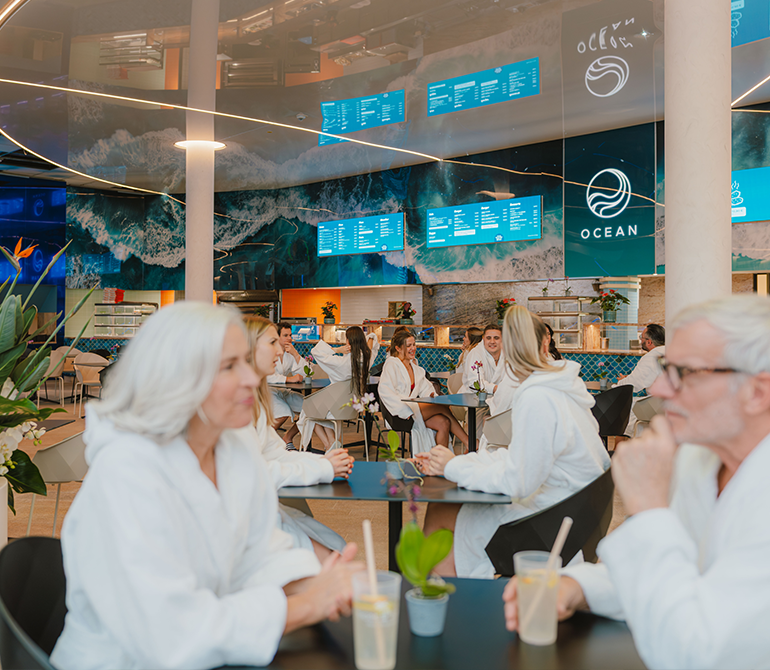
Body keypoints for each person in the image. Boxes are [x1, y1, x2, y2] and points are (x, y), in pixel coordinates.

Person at [51, 302, 362, 670]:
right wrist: (306, 605)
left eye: (245, 361)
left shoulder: (232, 447)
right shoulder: (127, 474)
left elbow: (261, 550)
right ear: (178, 378)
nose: (251, 379)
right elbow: (173, 635)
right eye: (229, 366)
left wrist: (320, 584)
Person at [504, 295, 770, 670]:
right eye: (666, 369)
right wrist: (578, 587)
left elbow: (697, 653)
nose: (660, 390)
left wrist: (648, 509)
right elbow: (659, 574)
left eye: (686, 373)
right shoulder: (701, 461)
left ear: (757, 392)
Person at [415, 306, 610, 578]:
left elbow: (519, 481)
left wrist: (452, 468)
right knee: (447, 505)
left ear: (508, 353)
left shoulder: (537, 397)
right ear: (545, 343)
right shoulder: (563, 387)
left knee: (441, 511)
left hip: (555, 527)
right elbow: (523, 457)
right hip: (579, 515)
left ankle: (449, 599)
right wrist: (462, 462)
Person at [245, 317, 353, 562]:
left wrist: (325, 461)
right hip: (250, 519)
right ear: (249, 348)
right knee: (333, 555)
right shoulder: (236, 406)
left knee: (337, 545)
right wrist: (324, 468)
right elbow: (256, 472)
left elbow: (277, 453)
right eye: (272, 342)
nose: (279, 349)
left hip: (264, 506)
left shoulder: (254, 401)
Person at [378, 329, 470, 453]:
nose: (413, 348)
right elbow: (385, 391)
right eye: (408, 346)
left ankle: (438, 461)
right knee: (441, 406)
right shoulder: (391, 365)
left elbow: (426, 388)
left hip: (414, 410)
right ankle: (468, 441)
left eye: (414, 344)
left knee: (444, 422)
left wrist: (430, 395)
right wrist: (403, 410)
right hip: (400, 414)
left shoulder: (416, 369)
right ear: (398, 348)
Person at [297, 326, 379, 451]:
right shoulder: (368, 358)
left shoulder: (340, 362)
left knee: (307, 411)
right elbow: (373, 337)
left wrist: (336, 349)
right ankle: (331, 443)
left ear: (348, 341)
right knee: (319, 407)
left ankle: (329, 444)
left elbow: (315, 352)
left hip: (335, 407)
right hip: (351, 406)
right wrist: (363, 346)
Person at [613, 323, 665, 437]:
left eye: (641, 337)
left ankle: (625, 443)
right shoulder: (669, 352)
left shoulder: (652, 357)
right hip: (670, 403)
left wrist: (619, 383)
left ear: (649, 342)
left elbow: (633, 384)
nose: (640, 340)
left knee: (623, 407)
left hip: (659, 405)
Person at [268, 322, 308, 446]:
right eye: (285, 335)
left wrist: (295, 354)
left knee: (309, 408)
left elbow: (306, 373)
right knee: (283, 413)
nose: (289, 338)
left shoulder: (289, 353)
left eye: (290, 335)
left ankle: (288, 438)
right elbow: (266, 376)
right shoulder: (269, 351)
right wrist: (288, 379)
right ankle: (261, 441)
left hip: (284, 391)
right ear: (277, 336)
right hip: (269, 392)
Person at [459, 324, 506, 393]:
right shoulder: (475, 354)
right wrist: (497, 389)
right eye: (488, 338)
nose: (492, 341)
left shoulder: (506, 354)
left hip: (498, 396)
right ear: (483, 339)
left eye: (496, 338)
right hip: (471, 396)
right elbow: (475, 383)